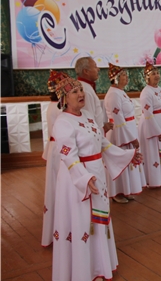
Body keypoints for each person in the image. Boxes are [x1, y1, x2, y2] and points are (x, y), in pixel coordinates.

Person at [50, 72, 143, 281]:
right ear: (64, 99)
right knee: (83, 222)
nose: (80, 93)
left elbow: (104, 144)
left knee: (99, 220)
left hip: (97, 174)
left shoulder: (89, 117)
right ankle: (84, 271)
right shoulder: (63, 122)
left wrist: (128, 155)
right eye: (74, 92)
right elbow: (68, 156)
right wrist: (84, 178)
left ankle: (100, 267)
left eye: (80, 89)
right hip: (77, 181)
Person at [104, 63, 146, 203]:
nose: (126, 78)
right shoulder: (113, 95)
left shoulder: (120, 92)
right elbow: (118, 119)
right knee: (120, 161)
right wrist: (130, 139)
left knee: (127, 161)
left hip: (127, 130)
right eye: (123, 76)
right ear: (115, 78)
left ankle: (126, 190)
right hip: (119, 134)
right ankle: (117, 193)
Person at [138, 62, 161, 187]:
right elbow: (148, 114)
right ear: (147, 77)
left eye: (158, 73)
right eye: (153, 74)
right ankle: (152, 180)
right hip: (150, 126)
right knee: (153, 152)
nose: (157, 76)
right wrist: (157, 131)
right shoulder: (146, 92)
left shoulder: (159, 89)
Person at [41, 70, 65, 247]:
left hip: (56, 150)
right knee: (59, 189)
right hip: (59, 152)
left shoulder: (55, 107)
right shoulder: (57, 109)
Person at [74, 56, 113, 134]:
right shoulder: (84, 90)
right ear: (86, 71)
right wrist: (103, 129)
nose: (98, 69)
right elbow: (88, 119)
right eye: (95, 67)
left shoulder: (85, 86)